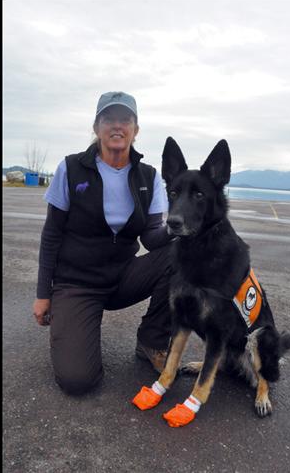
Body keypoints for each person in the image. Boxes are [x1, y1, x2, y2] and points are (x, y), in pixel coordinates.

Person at [32, 91, 175, 395]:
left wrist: (178, 228)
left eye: (126, 120)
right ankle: (69, 324)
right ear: (96, 127)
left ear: (136, 130)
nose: (117, 126)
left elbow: (151, 237)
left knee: (181, 255)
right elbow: (51, 234)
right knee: (78, 381)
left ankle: (151, 339)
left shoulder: (148, 177)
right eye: (108, 118)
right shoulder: (70, 169)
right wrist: (43, 294)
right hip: (77, 284)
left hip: (122, 277)